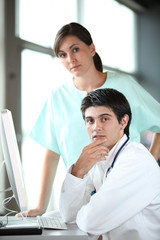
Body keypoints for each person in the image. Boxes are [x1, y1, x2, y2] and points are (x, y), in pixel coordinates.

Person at [16, 22, 160, 217]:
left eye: (76, 49)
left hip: (125, 196)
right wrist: (41, 207)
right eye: (62, 55)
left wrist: (147, 165)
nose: (70, 59)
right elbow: (52, 153)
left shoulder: (124, 85)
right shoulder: (57, 98)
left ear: (91, 49)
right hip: (80, 200)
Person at [59, 88, 160, 240]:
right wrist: (78, 171)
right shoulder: (99, 157)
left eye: (104, 119)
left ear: (123, 122)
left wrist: (88, 213)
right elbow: (68, 215)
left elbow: (90, 222)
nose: (96, 127)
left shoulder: (135, 160)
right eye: (90, 120)